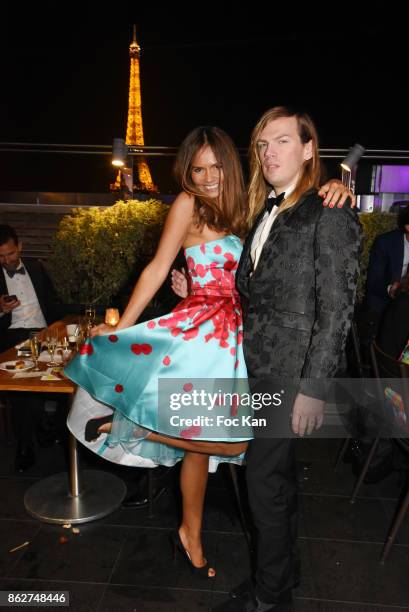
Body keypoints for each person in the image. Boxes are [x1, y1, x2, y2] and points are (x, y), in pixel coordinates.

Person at [64, 124, 354, 584]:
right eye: (197, 170)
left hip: (244, 336)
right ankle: (189, 530)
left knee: (220, 445)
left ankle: (157, 463)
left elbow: (291, 225)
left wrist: (332, 185)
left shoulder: (253, 206)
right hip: (202, 331)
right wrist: (122, 323)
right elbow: (159, 266)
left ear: (232, 166)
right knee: (222, 442)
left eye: (215, 167)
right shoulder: (188, 205)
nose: (206, 178)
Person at [209, 107, 361, 612]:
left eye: (282, 141)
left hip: (291, 373)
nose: (270, 152)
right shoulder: (267, 213)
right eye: (262, 144)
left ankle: (270, 596)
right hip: (259, 365)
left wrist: (314, 389)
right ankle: (286, 572)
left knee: (262, 479)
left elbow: (337, 309)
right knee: (279, 479)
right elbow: (258, 291)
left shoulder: (330, 210)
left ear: (309, 148)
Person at [0, 224, 61, 471]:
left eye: (11, 254)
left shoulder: (36, 268)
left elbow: (53, 302)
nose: (6, 260)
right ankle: (27, 442)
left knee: (67, 372)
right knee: (24, 381)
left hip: (43, 333)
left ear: (20, 247)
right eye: (1, 257)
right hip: (12, 336)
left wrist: (59, 325)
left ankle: (48, 426)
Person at [366, 205, 409, 326]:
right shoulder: (385, 243)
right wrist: (391, 289)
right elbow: (374, 281)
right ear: (407, 226)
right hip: (384, 302)